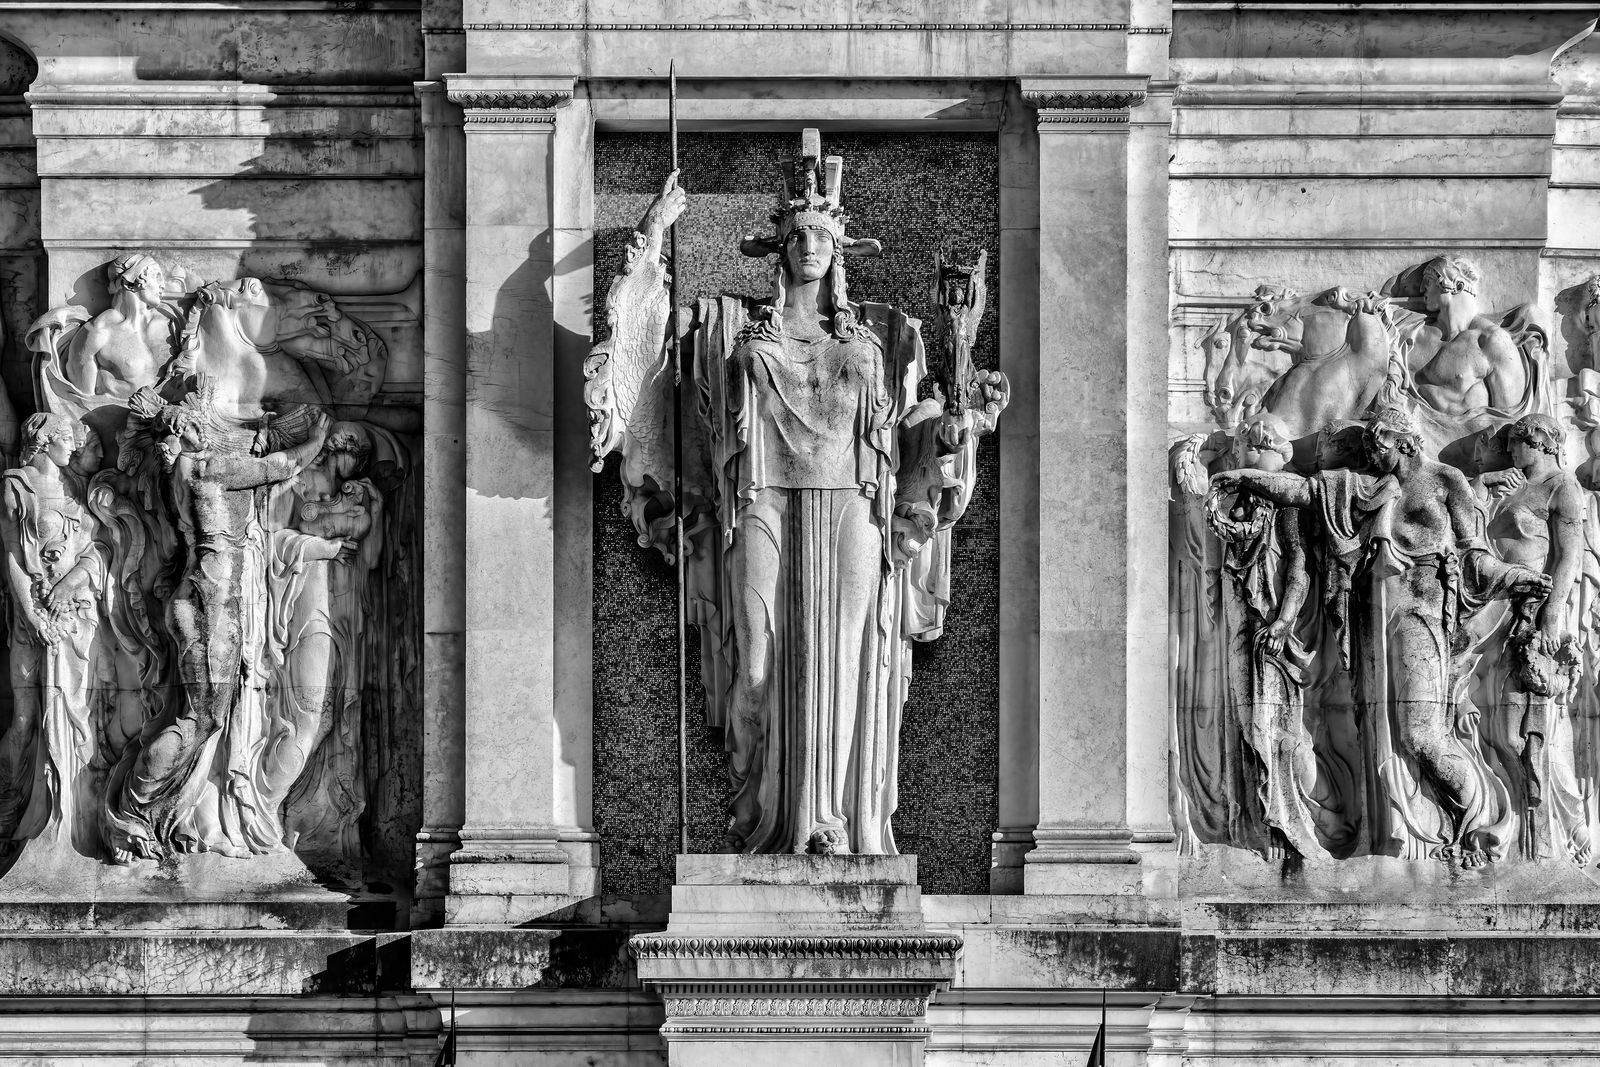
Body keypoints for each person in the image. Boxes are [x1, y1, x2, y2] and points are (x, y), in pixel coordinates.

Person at [1214, 405, 1549, 865]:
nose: (1372, 457)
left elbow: (1475, 557)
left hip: (1422, 612)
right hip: (1372, 617)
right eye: (1368, 450)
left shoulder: (1446, 481)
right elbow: (1304, 491)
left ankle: (1483, 825)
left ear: (1406, 443)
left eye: (1380, 448)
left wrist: (1511, 577)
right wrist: (1246, 478)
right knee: (1378, 731)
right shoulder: (1370, 486)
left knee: (1421, 734)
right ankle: (1406, 837)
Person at [103, 383, 333, 861]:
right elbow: (279, 466)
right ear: (190, 432)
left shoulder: (179, 473)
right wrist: (316, 438)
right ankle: (131, 811)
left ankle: (143, 808)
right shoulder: (210, 469)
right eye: (205, 425)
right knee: (202, 717)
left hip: (200, 599)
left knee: (198, 716)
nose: (215, 432)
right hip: (211, 604)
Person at [0, 414, 107, 859]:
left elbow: (97, 550)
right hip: (32, 621)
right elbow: (11, 560)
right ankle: (11, 803)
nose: (74, 447)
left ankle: (72, 811)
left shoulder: (75, 489)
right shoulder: (16, 487)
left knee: (83, 718)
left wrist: (69, 586)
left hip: (78, 618)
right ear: (43, 442)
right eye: (66, 439)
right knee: (25, 720)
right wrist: (35, 616)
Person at [63, 253, 173, 400]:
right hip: (115, 419)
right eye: (156, 276)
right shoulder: (99, 330)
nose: (163, 285)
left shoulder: (168, 325)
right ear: (128, 283)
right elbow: (85, 402)